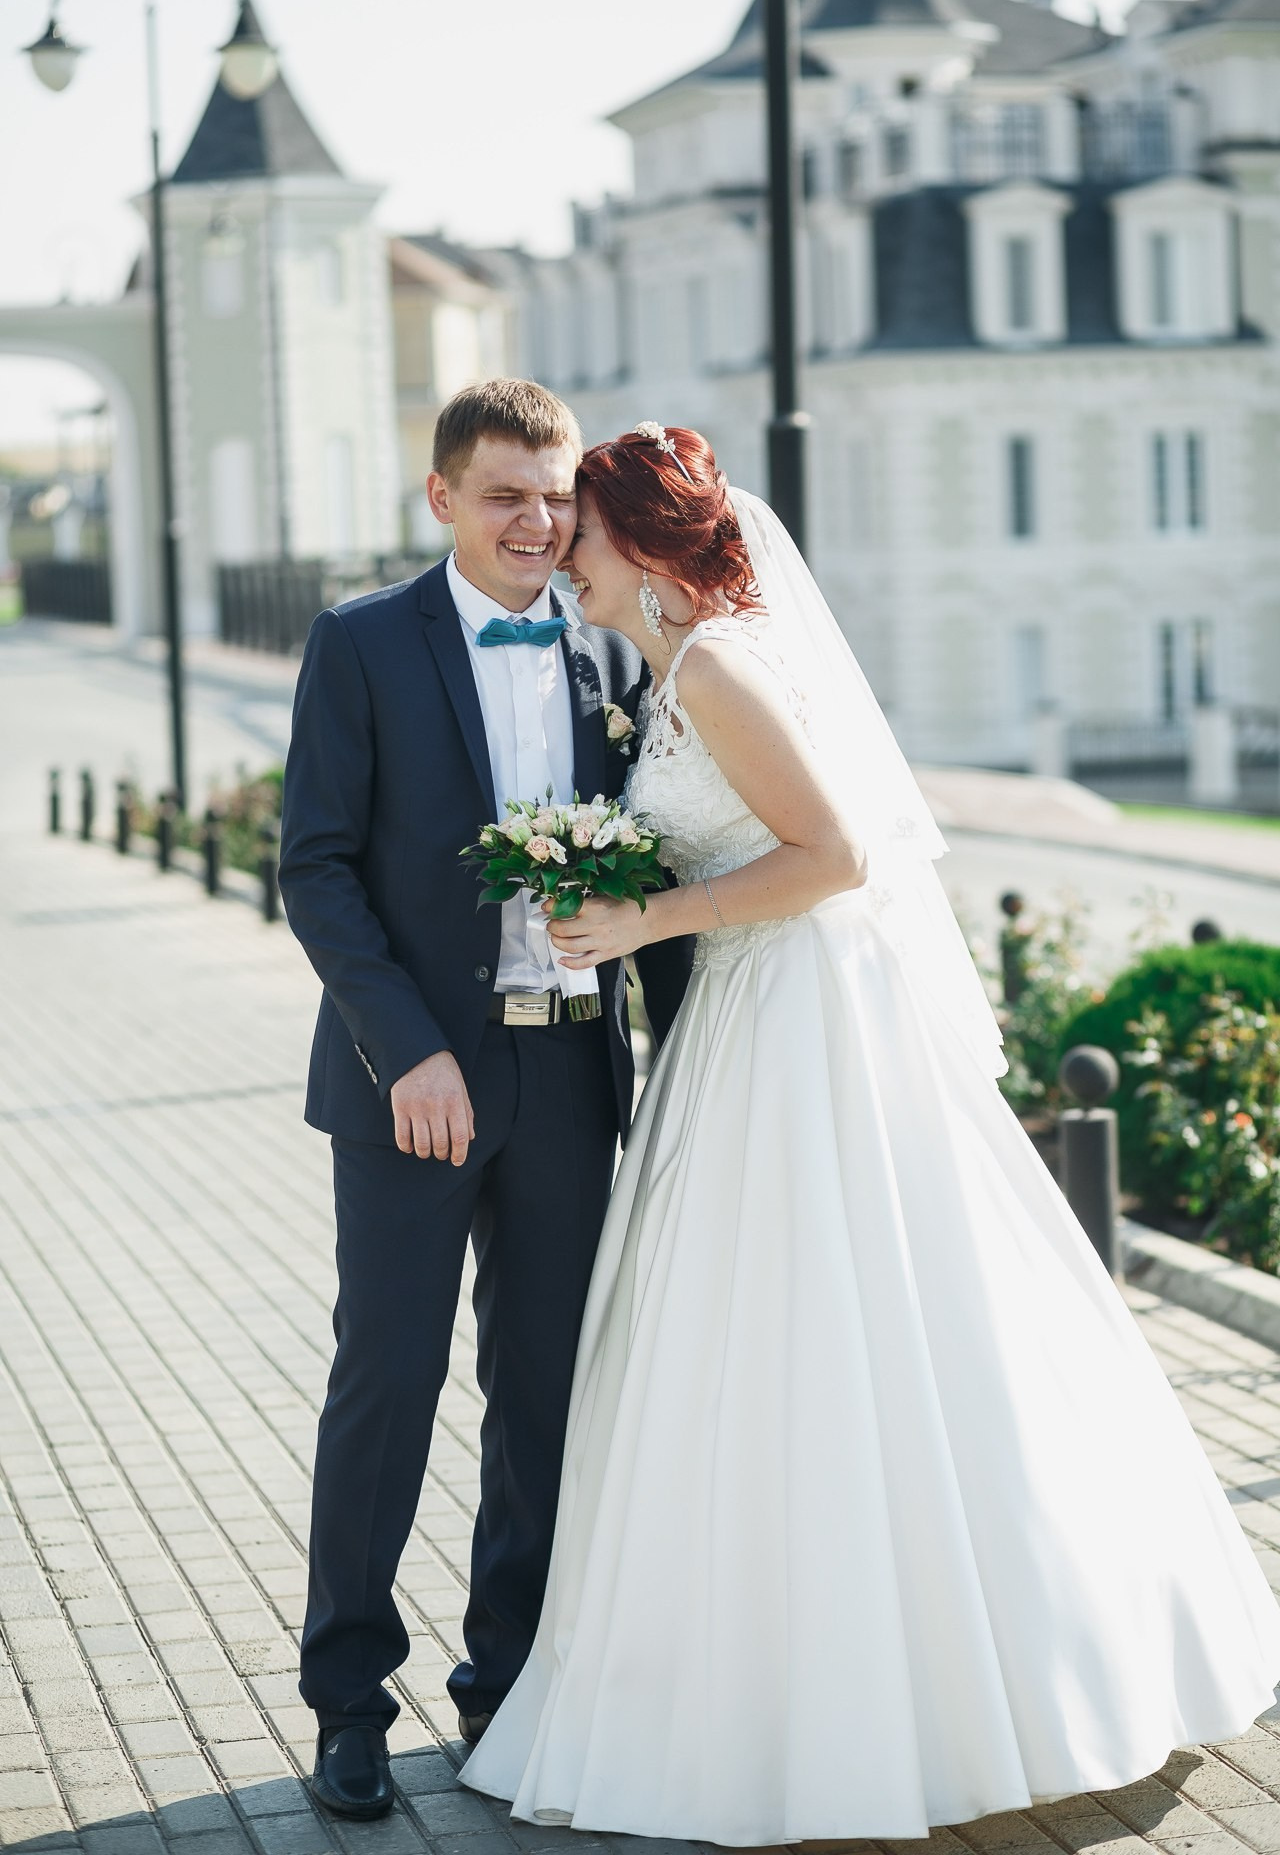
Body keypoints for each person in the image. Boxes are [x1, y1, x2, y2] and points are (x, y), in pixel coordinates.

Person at [459, 424, 1280, 1846]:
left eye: (581, 533)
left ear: (643, 545)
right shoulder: (679, 670)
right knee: (764, 1342)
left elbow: (833, 857)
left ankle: (918, 1692)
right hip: (744, 1017)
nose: (563, 558)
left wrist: (644, 915)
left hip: (796, 1021)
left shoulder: (717, 665)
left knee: (830, 1329)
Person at [277, 382, 691, 1821]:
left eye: (557, 493)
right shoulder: (362, 643)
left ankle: (505, 1689)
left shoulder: (615, 645)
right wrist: (409, 1052)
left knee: (546, 1397)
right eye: (508, 493)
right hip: (416, 1086)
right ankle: (346, 1698)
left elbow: (668, 863)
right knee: (387, 1381)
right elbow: (315, 867)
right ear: (441, 498)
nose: (540, 521)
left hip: (572, 1073)